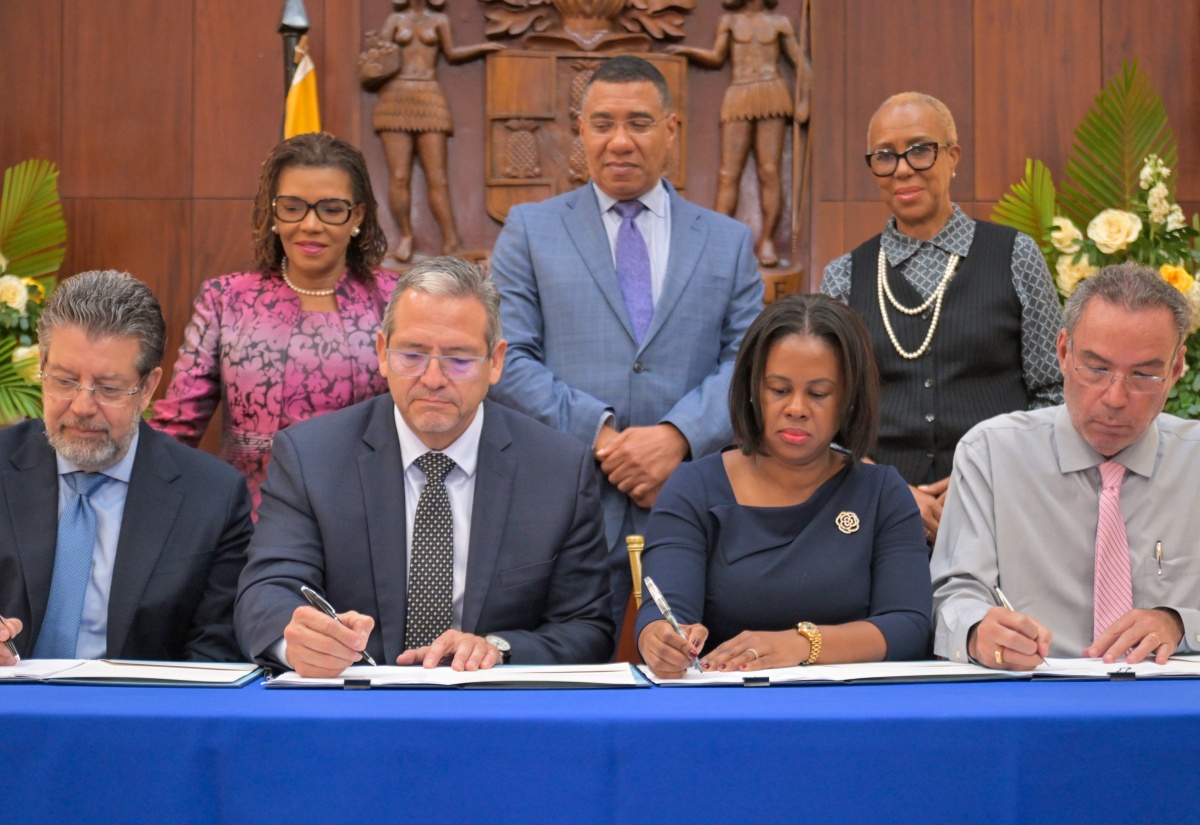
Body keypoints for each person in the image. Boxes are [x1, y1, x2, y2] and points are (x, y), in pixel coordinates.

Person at [235, 257, 613, 676]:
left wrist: (497, 649)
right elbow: (267, 592)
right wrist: (297, 642)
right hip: (353, 709)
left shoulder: (558, 470)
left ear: (496, 361)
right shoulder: (311, 456)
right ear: (382, 352)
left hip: (492, 714)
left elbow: (587, 629)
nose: (432, 378)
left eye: (459, 359)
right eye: (412, 355)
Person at [489, 55, 764, 630]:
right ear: (580, 130)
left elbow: (749, 361)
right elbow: (507, 358)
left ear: (671, 130)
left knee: (693, 680)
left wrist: (676, 437)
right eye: (602, 123)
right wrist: (604, 437)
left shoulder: (727, 241)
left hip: (694, 504)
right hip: (566, 505)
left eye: (638, 123)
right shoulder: (529, 230)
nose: (619, 141)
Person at [636, 294, 932, 679]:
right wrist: (658, 640)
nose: (796, 408)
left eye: (818, 393)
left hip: (851, 711)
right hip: (725, 706)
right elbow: (664, 612)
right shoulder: (695, 487)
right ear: (752, 390)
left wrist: (798, 644)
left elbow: (908, 626)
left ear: (849, 400)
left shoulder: (882, 493)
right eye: (779, 389)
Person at [820, 92, 1062, 543]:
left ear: (953, 156)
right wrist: (886, 488)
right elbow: (825, 415)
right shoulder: (843, 277)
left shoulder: (1016, 256)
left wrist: (995, 471)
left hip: (1003, 512)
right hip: (876, 522)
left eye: (919, 148)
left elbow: (1057, 391)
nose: (903, 168)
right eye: (884, 156)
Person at [931, 263, 1200, 669]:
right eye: (1096, 368)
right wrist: (977, 632)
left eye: (1144, 375)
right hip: (1037, 694)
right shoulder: (992, 453)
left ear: (1175, 370)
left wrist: (1182, 624)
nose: (1114, 397)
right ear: (1062, 352)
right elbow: (955, 595)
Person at [0, 271, 252, 665]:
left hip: (140, 717)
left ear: (149, 387)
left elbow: (214, 654)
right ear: (42, 369)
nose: (83, 407)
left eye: (109, 388)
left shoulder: (212, 498)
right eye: (64, 381)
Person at [150, 133, 395, 516]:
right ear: (274, 213)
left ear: (357, 216)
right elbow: (178, 426)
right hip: (250, 526)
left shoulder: (398, 301)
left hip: (367, 521)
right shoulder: (226, 299)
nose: (311, 224)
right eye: (293, 207)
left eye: (331, 209)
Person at [667, 0, 809, 267]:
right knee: (728, 172)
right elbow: (717, 57)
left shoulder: (780, 23)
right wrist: (688, 51)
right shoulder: (729, 22)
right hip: (739, 93)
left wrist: (804, 101)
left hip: (771, 92)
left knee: (769, 171)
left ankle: (766, 239)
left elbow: (801, 63)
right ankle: (718, 240)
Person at [366, 0, 501, 262]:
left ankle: (451, 240)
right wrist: (373, 53)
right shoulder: (395, 21)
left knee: (437, 177)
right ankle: (406, 236)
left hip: (428, 94)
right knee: (400, 176)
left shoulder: (439, 21)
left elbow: (451, 53)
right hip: (396, 97)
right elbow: (380, 57)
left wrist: (482, 48)